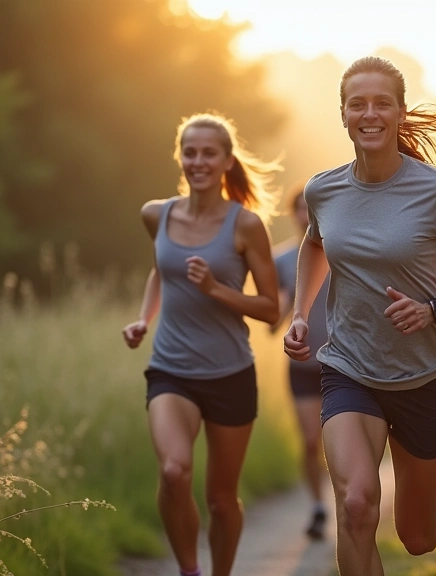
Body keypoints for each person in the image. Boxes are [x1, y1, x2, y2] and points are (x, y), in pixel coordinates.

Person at [282, 56, 436, 576]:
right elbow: (314, 246)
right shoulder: (324, 190)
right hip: (349, 370)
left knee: (417, 536)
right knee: (357, 506)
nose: (370, 113)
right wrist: (300, 314)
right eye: (357, 103)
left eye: (382, 103)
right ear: (342, 114)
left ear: (401, 112)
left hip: (422, 378)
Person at [122, 113, 281, 576]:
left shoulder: (245, 226)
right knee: (174, 472)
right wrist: (142, 319)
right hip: (171, 369)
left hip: (230, 373)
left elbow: (271, 308)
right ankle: (190, 569)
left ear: (227, 160)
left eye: (209, 153)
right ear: (180, 158)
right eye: (190, 153)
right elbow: (161, 270)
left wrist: (216, 290)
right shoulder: (157, 214)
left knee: (221, 499)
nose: (198, 161)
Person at [273, 184, 331, 539]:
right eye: (298, 208)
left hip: (341, 362)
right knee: (311, 441)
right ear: (291, 214)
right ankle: (318, 506)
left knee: (338, 442)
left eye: (309, 207)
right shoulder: (281, 260)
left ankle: (348, 502)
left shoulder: (338, 251)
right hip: (302, 365)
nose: (303, 214)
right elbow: (277, 312)